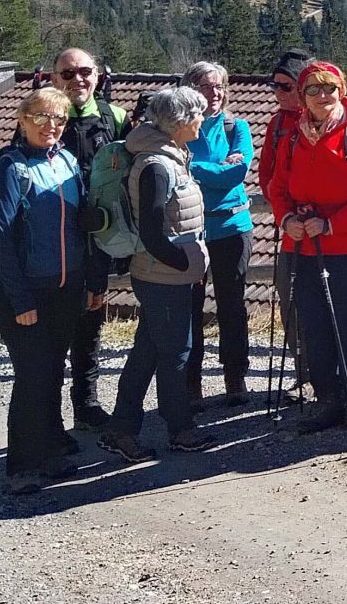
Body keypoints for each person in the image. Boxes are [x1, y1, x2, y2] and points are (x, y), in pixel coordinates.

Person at [0, 88, 110, 495]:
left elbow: (81, 228)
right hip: (24, 294)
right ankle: (21, 466)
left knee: (52, 372)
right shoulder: (9, 168)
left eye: (59, 119)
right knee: (33, 376)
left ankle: (49, 452)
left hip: (65, 289)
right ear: (22, 120)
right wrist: (20, 300)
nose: (50, 126)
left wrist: (93, 281)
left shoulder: (66, 161)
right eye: (41, 117)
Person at [266, 61, 347, 433]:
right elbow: (277, 188)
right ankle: (327, 401)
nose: (323, 96)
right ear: (302, 96)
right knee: (314, 326)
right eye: (314, 89)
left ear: (342, 91)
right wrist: (287, 219)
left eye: (330, 88)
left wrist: (331, 224)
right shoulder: (293, 137)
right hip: (303, 245)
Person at [98, 86, 217, 461]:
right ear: (180, 121)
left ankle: (121, 430)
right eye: (197, 114)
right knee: (176, 352)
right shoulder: (157, 165)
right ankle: (180, 429)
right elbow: (152, 233)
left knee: (147, 352)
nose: (202, 120)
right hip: (162, 277)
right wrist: (186, 264)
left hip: (162, 275)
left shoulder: (168, 156)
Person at [51, 46, 130, 431]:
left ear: (97, 75)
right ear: (54, 79)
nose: (77, 79)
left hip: (100, 235)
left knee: (91, 318)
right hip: (55, 240)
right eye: (67, 74)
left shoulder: (116, 117)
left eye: (84, 71)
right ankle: (47, 421)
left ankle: (86, 405)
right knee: (54, 330)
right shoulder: (46, 117)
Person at [182, 61, 256, 408]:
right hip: (190, 230)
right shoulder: (180, 129)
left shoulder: (236, 127)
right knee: (190, 307)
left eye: (219, 86)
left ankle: (235, 375)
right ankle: (190, 381)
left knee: (232, 305)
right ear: (189, 89)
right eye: (205, 85)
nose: (214, 93)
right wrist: (215, 169)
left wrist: (191, 167)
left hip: (231, 227)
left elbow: (234, 175)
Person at [255, 48, 315, 393]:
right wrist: (285, 212)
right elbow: (266, 176)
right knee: (290, 302)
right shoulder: (277, 124)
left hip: (325, 232)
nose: (278, 92)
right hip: (292, 231)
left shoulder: (324, 119)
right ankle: (304, 374)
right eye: (274, 85)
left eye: (285, 86)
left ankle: (331, 375)